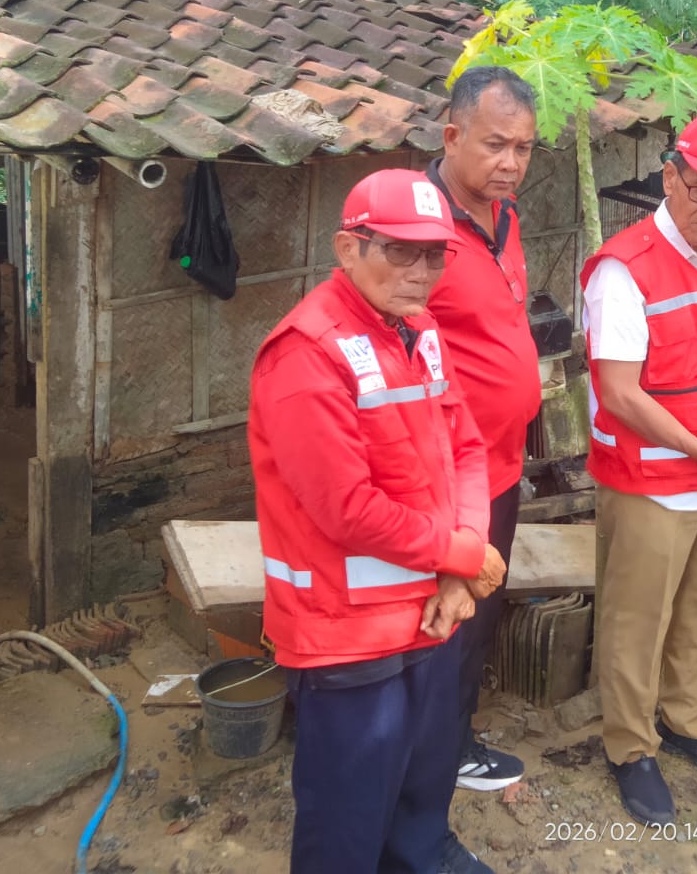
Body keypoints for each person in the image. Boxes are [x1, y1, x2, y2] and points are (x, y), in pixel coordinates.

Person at [248, 169, 507, 874]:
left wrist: (460, 565)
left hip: (431, 608)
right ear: (348, 248)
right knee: (347, 815)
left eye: (435, 254)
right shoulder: (305, 353)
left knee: (424, 780)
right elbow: (347, 509)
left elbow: (467, 447)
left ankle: (424, 856)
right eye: (400, 251)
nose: (421, 271)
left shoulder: (420, 331)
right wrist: (460, 554)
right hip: (345, 630)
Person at [580, 108, 697, 826]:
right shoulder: (623, 270)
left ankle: (689, 718)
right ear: (669, 177)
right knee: (638, 619)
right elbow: (620, 392)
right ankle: (630, 746)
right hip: (653, 478)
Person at [424, 68, 542, 831]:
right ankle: (425, 765)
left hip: (501, 465)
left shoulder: (505, 220)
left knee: (480, 612)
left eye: (523, 148)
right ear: (452, 135)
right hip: (445, 478)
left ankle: (453, 742)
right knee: (441, 620)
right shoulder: (419, 230)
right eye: (496, 144)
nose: (510, 162)